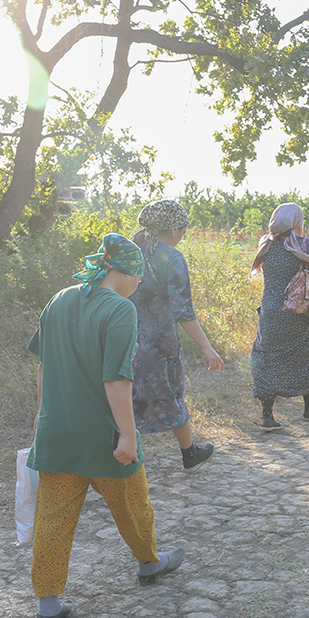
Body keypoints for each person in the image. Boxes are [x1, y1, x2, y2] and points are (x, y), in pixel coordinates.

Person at [27, 234, 185, 618]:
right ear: (126, 272)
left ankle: (48, 604)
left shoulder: (59, 299)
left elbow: (44, 365)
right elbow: (117, 379)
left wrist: (41, 417)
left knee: (52, 520)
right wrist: (128, 436)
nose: (138, 287)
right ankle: (149, 562)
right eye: (139, 279)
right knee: (133, 506)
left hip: (57, 434)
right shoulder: (119, 309)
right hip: (105, 438)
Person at [130, 200, 223, 473]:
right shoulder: (171, 258)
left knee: (120, 397)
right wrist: (207, 347)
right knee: (171, 394)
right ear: (172, 229)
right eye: (183, 231)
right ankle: (189, 454)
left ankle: (118, 461)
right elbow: (183, 311)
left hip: (121, 338)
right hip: (160, 346)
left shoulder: (125, 249)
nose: (183, 237)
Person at [250, 203, 309, 431]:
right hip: (300, 315)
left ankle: (267, 416)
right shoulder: (306, 245)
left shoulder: (264, 245)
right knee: (305, 357)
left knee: (267, 359)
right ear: (298, 222)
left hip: (270, 314)